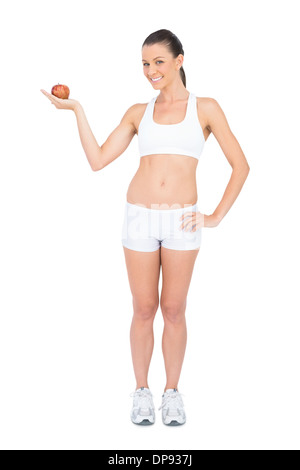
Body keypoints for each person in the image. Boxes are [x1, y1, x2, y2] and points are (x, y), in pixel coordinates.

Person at [41, 28, 250, 427]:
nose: (150, 70)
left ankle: (171, 393)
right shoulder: (138, 112)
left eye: (158, 62)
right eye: (144, 64)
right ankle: (141, 392)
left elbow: (241, 166)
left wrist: (215, 216)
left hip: (182, 219)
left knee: (173, 309)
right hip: (138, 216)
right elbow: (99, 159)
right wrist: (77, 111)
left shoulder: (205, 108)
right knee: (143, 309)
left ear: (179, 61)